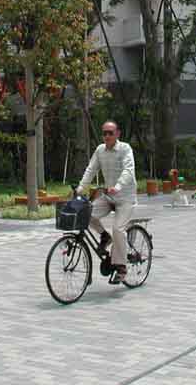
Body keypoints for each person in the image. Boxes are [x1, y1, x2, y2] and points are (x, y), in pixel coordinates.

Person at [76, 120, 137, 284]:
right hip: (109, 196)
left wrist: (118, 186)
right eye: (105, 133)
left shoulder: (125, 149)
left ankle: (122, 267)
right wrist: (80, 188)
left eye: (111, 133)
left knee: (118, 229)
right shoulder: (100, 150)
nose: (107, 136)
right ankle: (104, 236)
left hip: (125, 197)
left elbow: (128, 170)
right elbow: (91, 169)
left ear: (118, 134)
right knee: (86, 213)